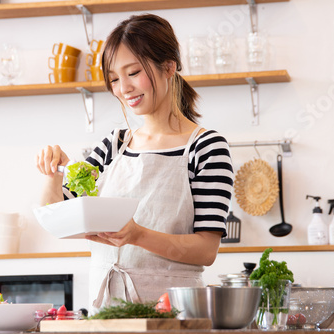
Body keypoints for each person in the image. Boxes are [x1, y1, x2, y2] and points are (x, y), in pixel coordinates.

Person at [36, 13, 234, 310]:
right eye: (114, 79)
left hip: (174, 313)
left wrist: (138, 235)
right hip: (107, 311)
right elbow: (58, 218)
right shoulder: (114, 145)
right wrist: (51, 174)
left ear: (169, 66)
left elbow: (206, 249)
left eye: (133, 72)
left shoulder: (205, 147)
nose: (123, 88)